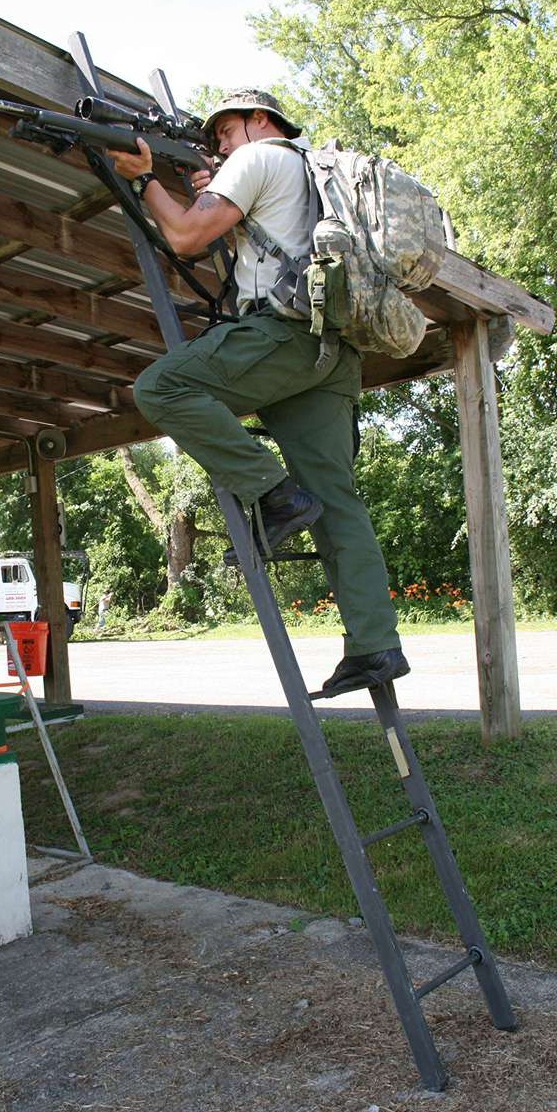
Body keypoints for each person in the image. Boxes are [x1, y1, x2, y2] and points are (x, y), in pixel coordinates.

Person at [108, 90, 409, 697]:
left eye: (226, 130)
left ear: (261, 122)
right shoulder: (308, 173)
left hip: (284, 337)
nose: (219, 143)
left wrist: (144, 181)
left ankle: (274, 494)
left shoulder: (259, 156)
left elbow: (185, 236)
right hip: (332, 351)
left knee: (160, 387)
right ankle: (376, 645)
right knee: (338, 502)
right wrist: (222, 196)